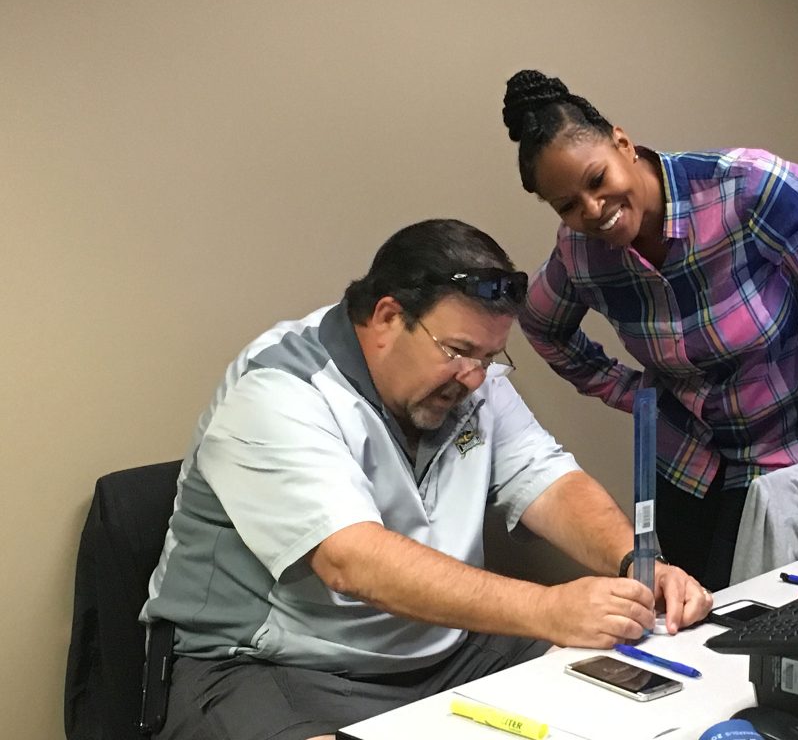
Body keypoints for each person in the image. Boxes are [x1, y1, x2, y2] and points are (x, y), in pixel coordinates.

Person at [141, 218, 712, 740]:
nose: (474, 377)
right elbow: (351, 561)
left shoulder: (470, 379)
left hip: (442, 649)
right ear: (388, 318)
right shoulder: (277, 389)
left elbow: (547, 479)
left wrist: (636, 562)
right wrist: (548, 609)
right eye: (458, 351)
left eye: (489, 357)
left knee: (624, 705)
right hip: (273, 665)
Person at [501, 70, 798, 590]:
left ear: (623, 144)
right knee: (691, 613)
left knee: (786, 613)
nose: (592, 210)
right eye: (567, 205)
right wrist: (636, 396)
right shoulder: (580, 253)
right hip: (687, 466)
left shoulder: (751, 187)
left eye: (597, 180)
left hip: (792, 448)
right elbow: (540, 324)